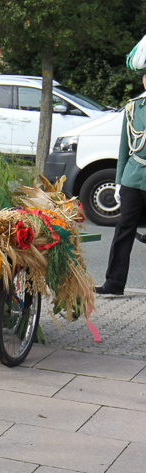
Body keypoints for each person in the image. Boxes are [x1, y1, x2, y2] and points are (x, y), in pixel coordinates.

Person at [95, 35, 146, 296]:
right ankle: (114, 283)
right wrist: (118, 182)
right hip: (133, 179)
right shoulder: (133, 108)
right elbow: (125, 148)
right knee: (124, 230)